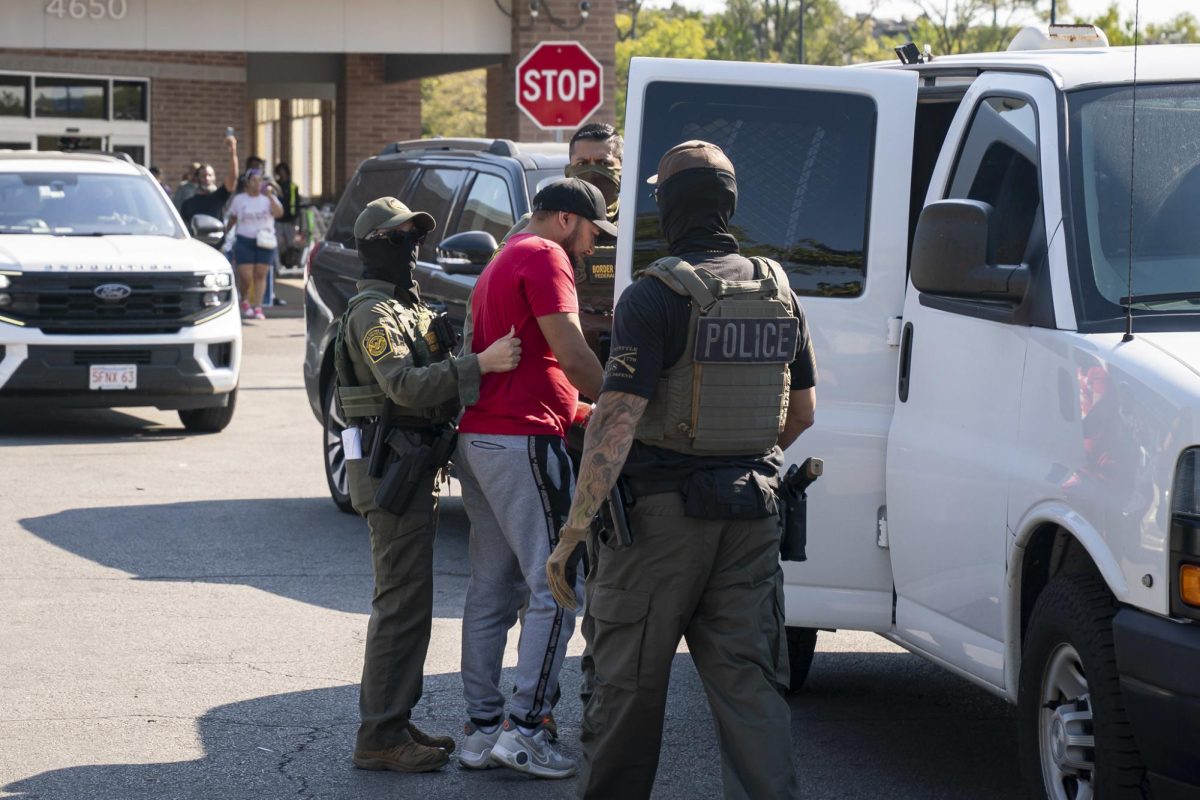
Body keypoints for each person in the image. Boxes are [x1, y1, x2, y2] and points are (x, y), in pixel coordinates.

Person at [547, 141, 818, 800]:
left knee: (625, 694)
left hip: (659, 527)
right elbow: (803, 413)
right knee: (752, 694)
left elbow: (614, 422)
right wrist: (742, 452)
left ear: (666, 206)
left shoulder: (655, 293)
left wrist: (573, 534)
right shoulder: (778, 289)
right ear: (729, 205)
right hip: (751, 516)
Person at [338, 197, 523, 774]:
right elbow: (404, 387)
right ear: (373, 248)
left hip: (413, 466)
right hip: (389, 471)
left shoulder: (408, 309)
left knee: (411, 605)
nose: (411, 250)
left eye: (415, 239)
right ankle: (379, 736)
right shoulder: (372, 314)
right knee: (400, 604)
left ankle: (392, 718)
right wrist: (481, 364)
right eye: (399, 240)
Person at [454, 178, 610, 779]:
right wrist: (622, 399)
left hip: (483, 436)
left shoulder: (503, 256)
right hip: (521, 440)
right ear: (568, 220)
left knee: (491, 590)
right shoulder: (546, 255)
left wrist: (577, 408)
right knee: (556, 582)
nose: (593, 247)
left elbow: (536, 367)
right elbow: (570, 354)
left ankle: (482, 729)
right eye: (594, 232)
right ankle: (525, 730)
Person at [227, 168, 283, 320]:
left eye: (260, 180)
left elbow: (279, 213)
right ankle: (244, 299)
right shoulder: (240, 199)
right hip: (245, 239)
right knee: (246, 276)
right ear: (247, 182)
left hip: (265, 240)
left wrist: (270, 196)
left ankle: (258, 307)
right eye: (254, 180)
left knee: (260, 274)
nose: (258, 183)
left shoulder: (267, 198)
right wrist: (225, 234)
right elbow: (232, 218)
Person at [180, 136, 239, 230]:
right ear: (197, 179)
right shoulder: (188, 204)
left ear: (214, 178)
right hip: (196, 244)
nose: (206, 178)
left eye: (210, 175)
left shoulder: (219, 196)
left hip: (217, 244)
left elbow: (233, 178)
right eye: (203, 175)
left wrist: (233, 152)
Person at [273, 162, 301, 267]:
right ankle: (278, 264)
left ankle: (292, 263)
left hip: (290, 219)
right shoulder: (275, 186)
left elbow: (296, 203)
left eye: (283, 171)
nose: (282, 174)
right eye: (280, 172)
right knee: (278, 243)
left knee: (291, 243)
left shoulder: (293, 187)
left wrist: (296, 217)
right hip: (278, 219)